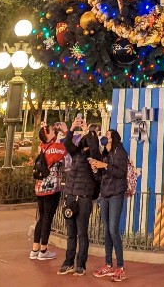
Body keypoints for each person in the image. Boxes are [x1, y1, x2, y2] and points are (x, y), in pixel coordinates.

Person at [57, 116, 102, 276]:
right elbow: (68, 143)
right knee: (71, 233)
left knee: (82, 233)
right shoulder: (76, 154)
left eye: (91, 135)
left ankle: (80, 265)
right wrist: (71, 128)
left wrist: (87, 132)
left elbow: (95, 150)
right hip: (71, 196)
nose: (87, 137)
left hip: (84, 198)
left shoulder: (94, 158)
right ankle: (68, 262)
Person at [90, 128, 129, 281]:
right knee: (106, 230)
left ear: (113, 138)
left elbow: (121, 173)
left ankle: (120, 267)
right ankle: (108, 264)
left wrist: (105, 166)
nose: (105, 137)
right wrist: (96, 169)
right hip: (105, 194)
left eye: (107, 135)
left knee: (113, 229)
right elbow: (101, 176)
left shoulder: (120, 151)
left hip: (116, 194)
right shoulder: (105, 154)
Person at [30, 122, 68, 261]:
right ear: (49, 135)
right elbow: (69, 148)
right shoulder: (56, 148)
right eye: (53, 130)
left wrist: (53, 130)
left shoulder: (42, 147)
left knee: (41, 217)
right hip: (52, 189)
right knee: (47, 218)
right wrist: (65, 131)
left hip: (40, 187)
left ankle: (35, 249)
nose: (55, 131)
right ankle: (44, 249)